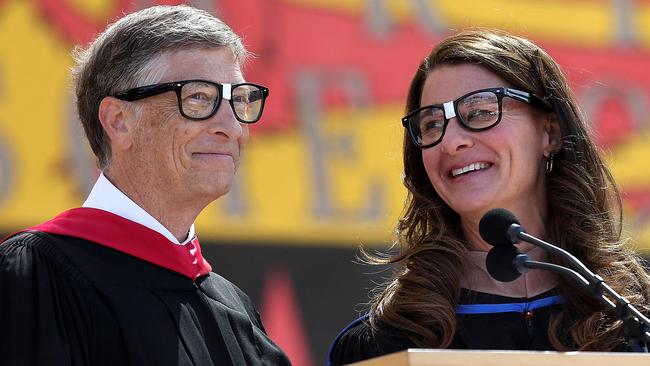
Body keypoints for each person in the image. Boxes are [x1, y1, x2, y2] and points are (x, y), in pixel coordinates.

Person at [328, 29, 650, 365]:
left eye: (480, 112)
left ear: (550, 132)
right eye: (432, 124)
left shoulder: (634, 320)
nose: (451, 142)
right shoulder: (385, 345)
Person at [0, 5, 290, 366]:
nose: (231, 127)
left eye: (240, 99)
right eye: (198, 97)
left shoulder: (238, 316)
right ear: (119, 120)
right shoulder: (36, 279)